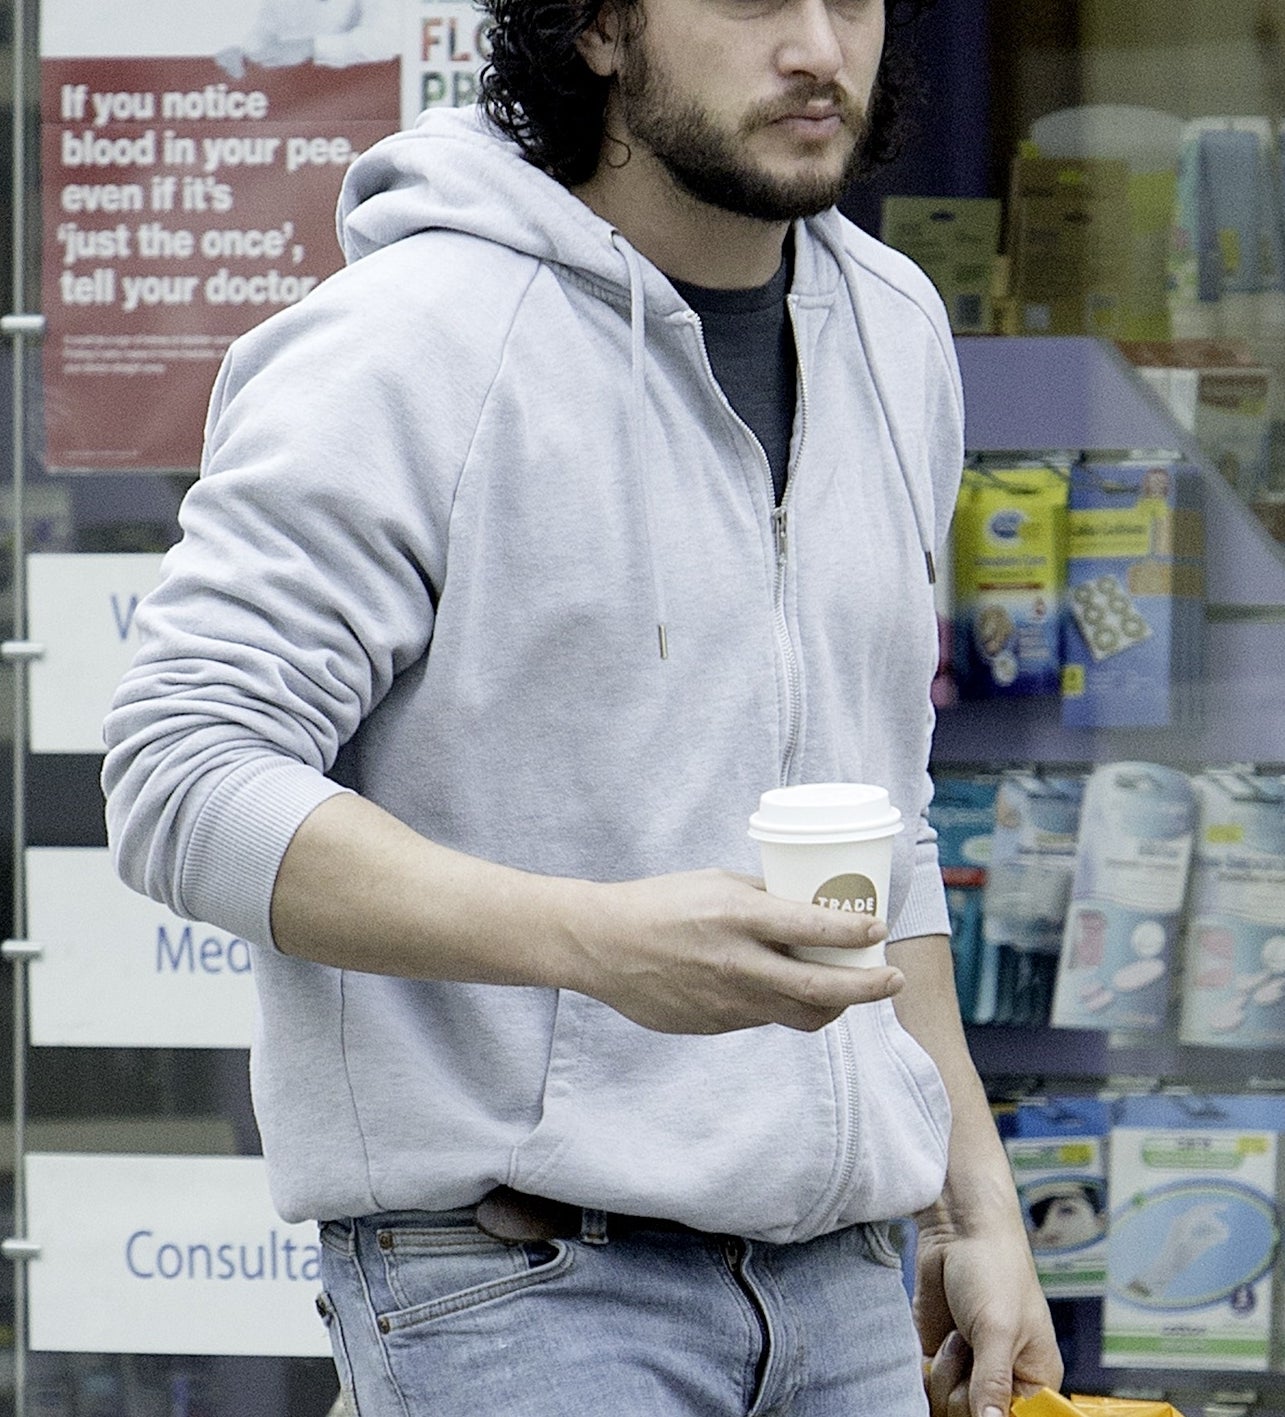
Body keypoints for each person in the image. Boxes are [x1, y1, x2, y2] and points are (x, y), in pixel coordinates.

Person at [102, 1, 1062, 1413]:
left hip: (848, 1291)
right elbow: (183, 773)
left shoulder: (894, 327)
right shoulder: (409, 342)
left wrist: (966, 1203)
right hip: (522, 1288)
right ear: (601, 30)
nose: (817, 46)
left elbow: (882, 811)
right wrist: (592, 943)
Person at [215, 0, 400, 79]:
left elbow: (384, 41)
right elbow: (266, 28)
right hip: (298, 99)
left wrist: (310, 47)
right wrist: (243, 53)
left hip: (360, 95)